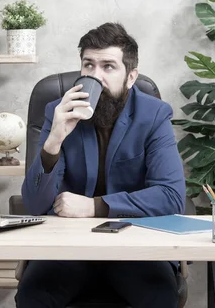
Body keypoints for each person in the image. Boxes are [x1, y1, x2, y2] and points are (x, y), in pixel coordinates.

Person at [16, 22, 186, 308]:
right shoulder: (56, 112)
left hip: (134, 248)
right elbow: (34, 204)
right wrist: (55, 138)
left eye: (108, 66)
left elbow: (171, 197)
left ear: (131, 76)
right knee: (33, 297)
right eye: (88, 65)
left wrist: (95, 207)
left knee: (160, 299)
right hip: (68, 250)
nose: (96, 75)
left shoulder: (154, 115)